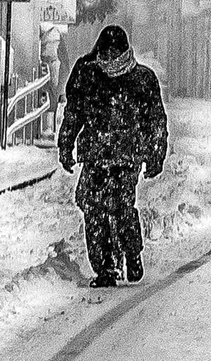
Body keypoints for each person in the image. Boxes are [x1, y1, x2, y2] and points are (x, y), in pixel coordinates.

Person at [57, 25, 168, 288]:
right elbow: (75, 113)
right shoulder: (96, 76)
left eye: (114, 53)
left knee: (112, 209)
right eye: (107, 53)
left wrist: (155, 154)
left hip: (116, 157)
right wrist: (65, 144)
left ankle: (126, 256)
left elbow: (155, 120)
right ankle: (113, 264)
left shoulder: (132, 78)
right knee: (99, 209)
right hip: (106, 156)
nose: (110, 59)